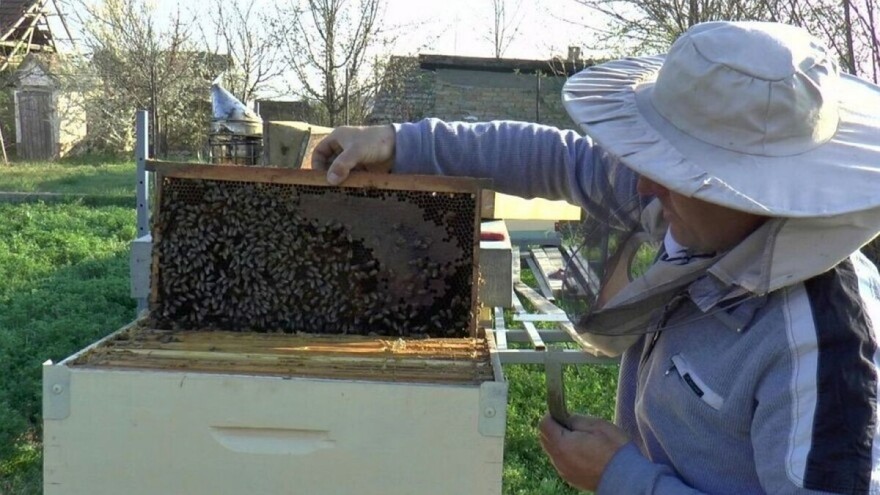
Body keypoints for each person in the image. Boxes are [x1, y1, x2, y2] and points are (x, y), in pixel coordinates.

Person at [312, 21, 880, 494]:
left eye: (676, 173)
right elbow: (558, 158)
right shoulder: (697, 214)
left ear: (749, 187)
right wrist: (402, 142)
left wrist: (623, 477)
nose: (642, 191)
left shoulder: (824, 346)